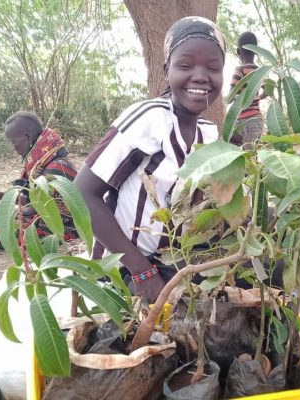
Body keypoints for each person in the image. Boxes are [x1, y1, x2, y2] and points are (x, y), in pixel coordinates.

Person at [75, 16, 225, 302]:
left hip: (171, 267)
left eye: (213, 68)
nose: (200, 76)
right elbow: (82, 193)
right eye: (185, 65)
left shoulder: (209, 135)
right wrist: (142, 272)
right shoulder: (149, 119)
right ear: (166, 70)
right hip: (124, 269)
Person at [0, 111, 78, 252]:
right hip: (37, 217)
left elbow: (35, 208)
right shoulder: (44, 161)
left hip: (56, 229)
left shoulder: (57, 167)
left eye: (13, 141)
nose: (13, 147)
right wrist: (1, 196)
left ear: (27, 137)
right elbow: (32, 199)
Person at [229, 31, 266, 148]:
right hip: (256, 119)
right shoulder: (260, 71)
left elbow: (231, 95)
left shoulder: (239, 71)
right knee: (252, 156)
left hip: (241, 121)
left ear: (238, 52)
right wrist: (256, 97)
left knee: (236, 153)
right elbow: (268, 91)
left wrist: (241, 99)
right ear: (256, 51)